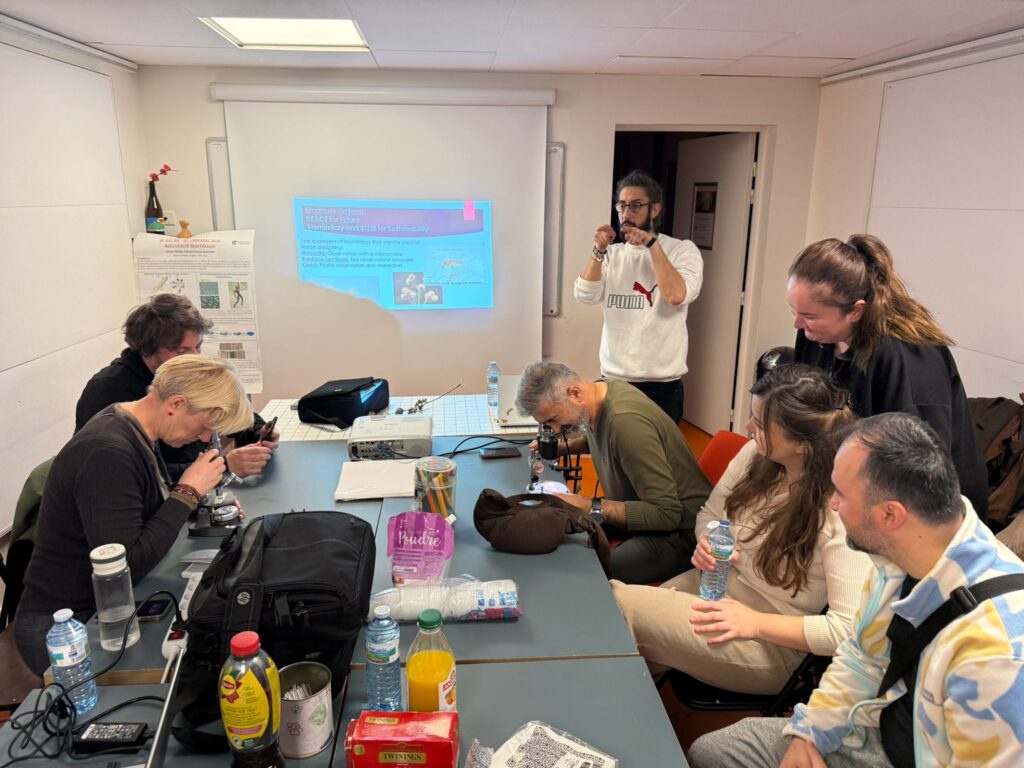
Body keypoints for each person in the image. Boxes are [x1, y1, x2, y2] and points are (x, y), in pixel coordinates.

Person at [689, 412, 1024, 768]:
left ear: (890, 515)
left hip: (919, 753)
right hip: (882, 724)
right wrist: (809, 733)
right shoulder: (901, 554)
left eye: (841, 494)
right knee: (712, 752)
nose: (832, 504)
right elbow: (861, 659)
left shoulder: (997, 656)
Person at [613, 365, 870, 694]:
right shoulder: (757, 455)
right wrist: (707, 539)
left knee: (620, 606)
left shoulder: (840, 510)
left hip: (772, 640)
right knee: (624, 639)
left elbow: (847, 630)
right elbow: (710, 513)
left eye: (760, 424)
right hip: (718, 588)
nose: (748, 427)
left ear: (802, 444)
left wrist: (756, 623)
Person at [16, 355, 253, 674]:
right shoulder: (106, 451)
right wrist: (188, 493)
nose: (203, 438)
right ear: (176, 404)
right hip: (69, 627)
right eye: (204, 427)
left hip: (99, 611)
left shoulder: (131, 426)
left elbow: (148, 488)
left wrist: (202, 487)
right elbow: (127, 565)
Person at [788, 234, 987, 519]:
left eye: (810, 315)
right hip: (854, 484)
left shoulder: (908, 356)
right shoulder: (814, 336)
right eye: (794, 311)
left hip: (928, 506)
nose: (798, 323)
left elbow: (920, 468)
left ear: (856, 311)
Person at [516, 361, 711, 583]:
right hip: (644, 510)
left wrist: (588, 504)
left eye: (554, 419)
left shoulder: (625, 422)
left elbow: (667, 513)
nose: (556, 429)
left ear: (575, 393)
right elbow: (604, 438)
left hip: (681, 535)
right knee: (559, 530)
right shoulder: (600, 392)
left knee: (581, 570)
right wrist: (561, 448)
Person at [76, 293, 277, 481]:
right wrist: (223, 466)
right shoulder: (107, 390)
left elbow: (223, 408)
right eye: (182, 351)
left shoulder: (188, 372)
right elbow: (137, 473)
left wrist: (258, 432)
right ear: (148, 350)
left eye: (198, 347)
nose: (195, 357)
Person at [574, 169, 703, 424]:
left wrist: (652, 245)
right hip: (613, 380)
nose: (626, 213)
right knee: (611, 448)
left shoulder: (681, 250)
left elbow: (676, 295)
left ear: (654, 210)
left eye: (635, 206)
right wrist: (599, 250)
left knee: (657, 451)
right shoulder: (612, 254)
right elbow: (585, 295)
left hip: (660, 385)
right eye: (622, 205)